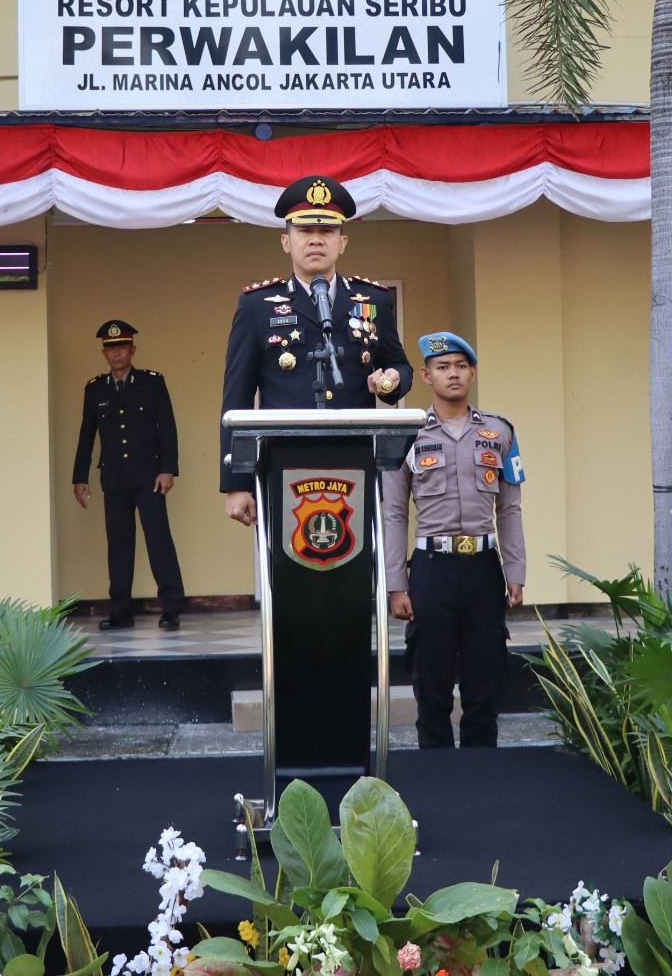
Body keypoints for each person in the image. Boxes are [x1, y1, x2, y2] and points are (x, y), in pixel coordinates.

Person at [220, 175, 414, 524]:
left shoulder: (373, 301)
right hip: (282, 462)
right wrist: (236, 483)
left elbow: (401, 367)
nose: (315, 240)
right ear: (286, 241)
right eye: (304, 231)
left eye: (327, 231)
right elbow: (237, 398)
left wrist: (391, 380)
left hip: (356, 461)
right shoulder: (257, 306)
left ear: (342, 242)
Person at [382, 332, 526, 748]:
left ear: (473, 373)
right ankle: (437, 773)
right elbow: (394, 513)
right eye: (443, 367)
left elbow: (510, 509)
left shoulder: (499, 432)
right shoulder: (406, 435)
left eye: (462, 366)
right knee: (432, 682)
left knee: (486, 677)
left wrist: (515, 571)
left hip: (483, 569)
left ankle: (482, 772)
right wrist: (396, 584)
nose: (454, 374)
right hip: (432, 569)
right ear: (427, 375)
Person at [73, 320, 186, 630]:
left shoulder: (152, 383)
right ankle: (120, 612)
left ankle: (172, 608)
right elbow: (87, 435)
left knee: (159, 542)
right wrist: (80, 477)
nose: (117, 353)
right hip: (115, 479)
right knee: (119, 545)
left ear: (132, 350)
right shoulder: (95, 388)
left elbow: (168, 428)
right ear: (104, 353)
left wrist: (168, 469)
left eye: (122, 346)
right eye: (111, 348)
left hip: (150, 477)